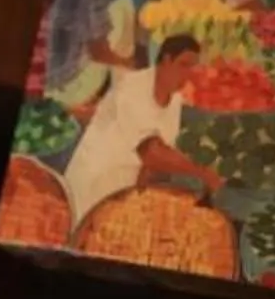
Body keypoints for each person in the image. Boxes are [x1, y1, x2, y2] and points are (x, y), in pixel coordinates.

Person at [61, 35, 216, 233]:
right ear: (166, 60)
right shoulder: (132, 88)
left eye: (192, 68)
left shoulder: (174, 98)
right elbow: (152, 153)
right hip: (94, 184)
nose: (188, 74)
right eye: (183, 65)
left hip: (125, 190)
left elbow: (157, 157)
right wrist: (204, 173)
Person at [41, 0, 116, 106]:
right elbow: (99, 52)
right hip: (68, 84)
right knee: (123, 9)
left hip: (53, 77)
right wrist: (129, 63)